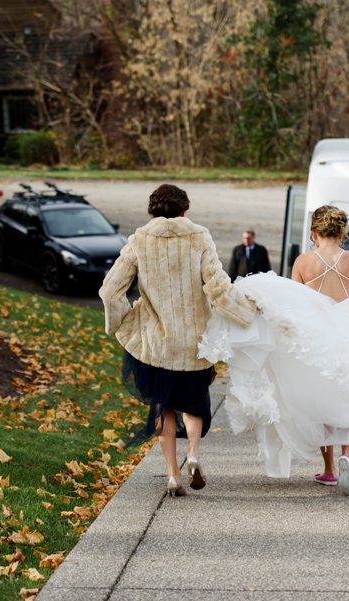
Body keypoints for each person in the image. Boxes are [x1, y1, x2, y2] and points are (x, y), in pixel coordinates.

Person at [199, 205, 349, 495]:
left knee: (323, 397)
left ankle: (328, 469)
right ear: (343, 233)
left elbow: (292, 304)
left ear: (314, 233)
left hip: (317, 338)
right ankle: (347, 457)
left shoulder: (303, 262)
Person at [100, 184, 256, 497]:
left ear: (152, 211)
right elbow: (217, 287)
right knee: (195, 404)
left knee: (163, 407)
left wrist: (120, 322)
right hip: (193, 342)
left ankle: (173, 475)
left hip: (154, 345)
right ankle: (194, 454)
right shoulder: (199, 236)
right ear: (184, 210)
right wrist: (247, 311)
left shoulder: (140, 239)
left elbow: (110, 290)